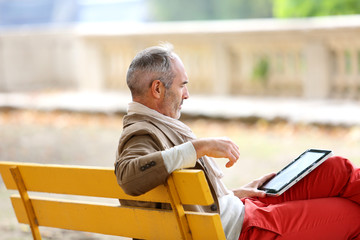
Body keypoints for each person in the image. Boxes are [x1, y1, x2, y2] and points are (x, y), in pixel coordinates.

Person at [115, 43, 360, 240]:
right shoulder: (140, 133)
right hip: (245, 229)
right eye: (183, 85)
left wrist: (231, 194)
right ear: (157, 89)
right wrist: (200, 147)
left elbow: (183, 203)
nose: (187, 94)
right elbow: (128, 176)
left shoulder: (153, 126)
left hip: (239, 209)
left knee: (334, 169)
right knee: (353, 216)